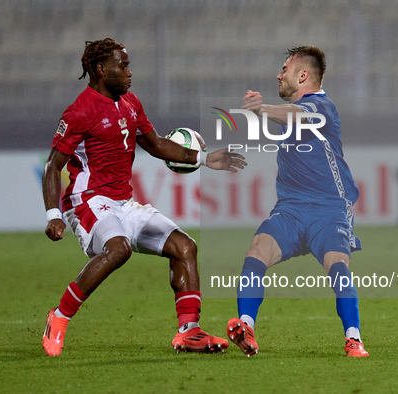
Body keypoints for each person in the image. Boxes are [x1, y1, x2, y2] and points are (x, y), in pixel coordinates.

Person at [41, 38, 246, 357]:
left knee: (185, 247)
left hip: (123, 202)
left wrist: (204, 159)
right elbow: (52, 166)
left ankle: (189, 332)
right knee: (119, 249)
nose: (129, 72)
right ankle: (60, 316)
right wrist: (53, 215)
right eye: (122, 66)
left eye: (129, 65)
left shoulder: (131, 103)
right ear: (100, 69)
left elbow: (155, 144)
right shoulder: (80, 111)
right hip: (87, 201)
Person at [226, 46, 369, 357]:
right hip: (290, 209)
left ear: (303, 75)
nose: (279, 75)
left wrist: (262, 109)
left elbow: (298, 117)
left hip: (328, 209)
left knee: (337, 265)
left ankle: (354, 338)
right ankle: (246, 326)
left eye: (285, 69)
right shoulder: (292, 112)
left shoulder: (323, 107)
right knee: (257, 250)